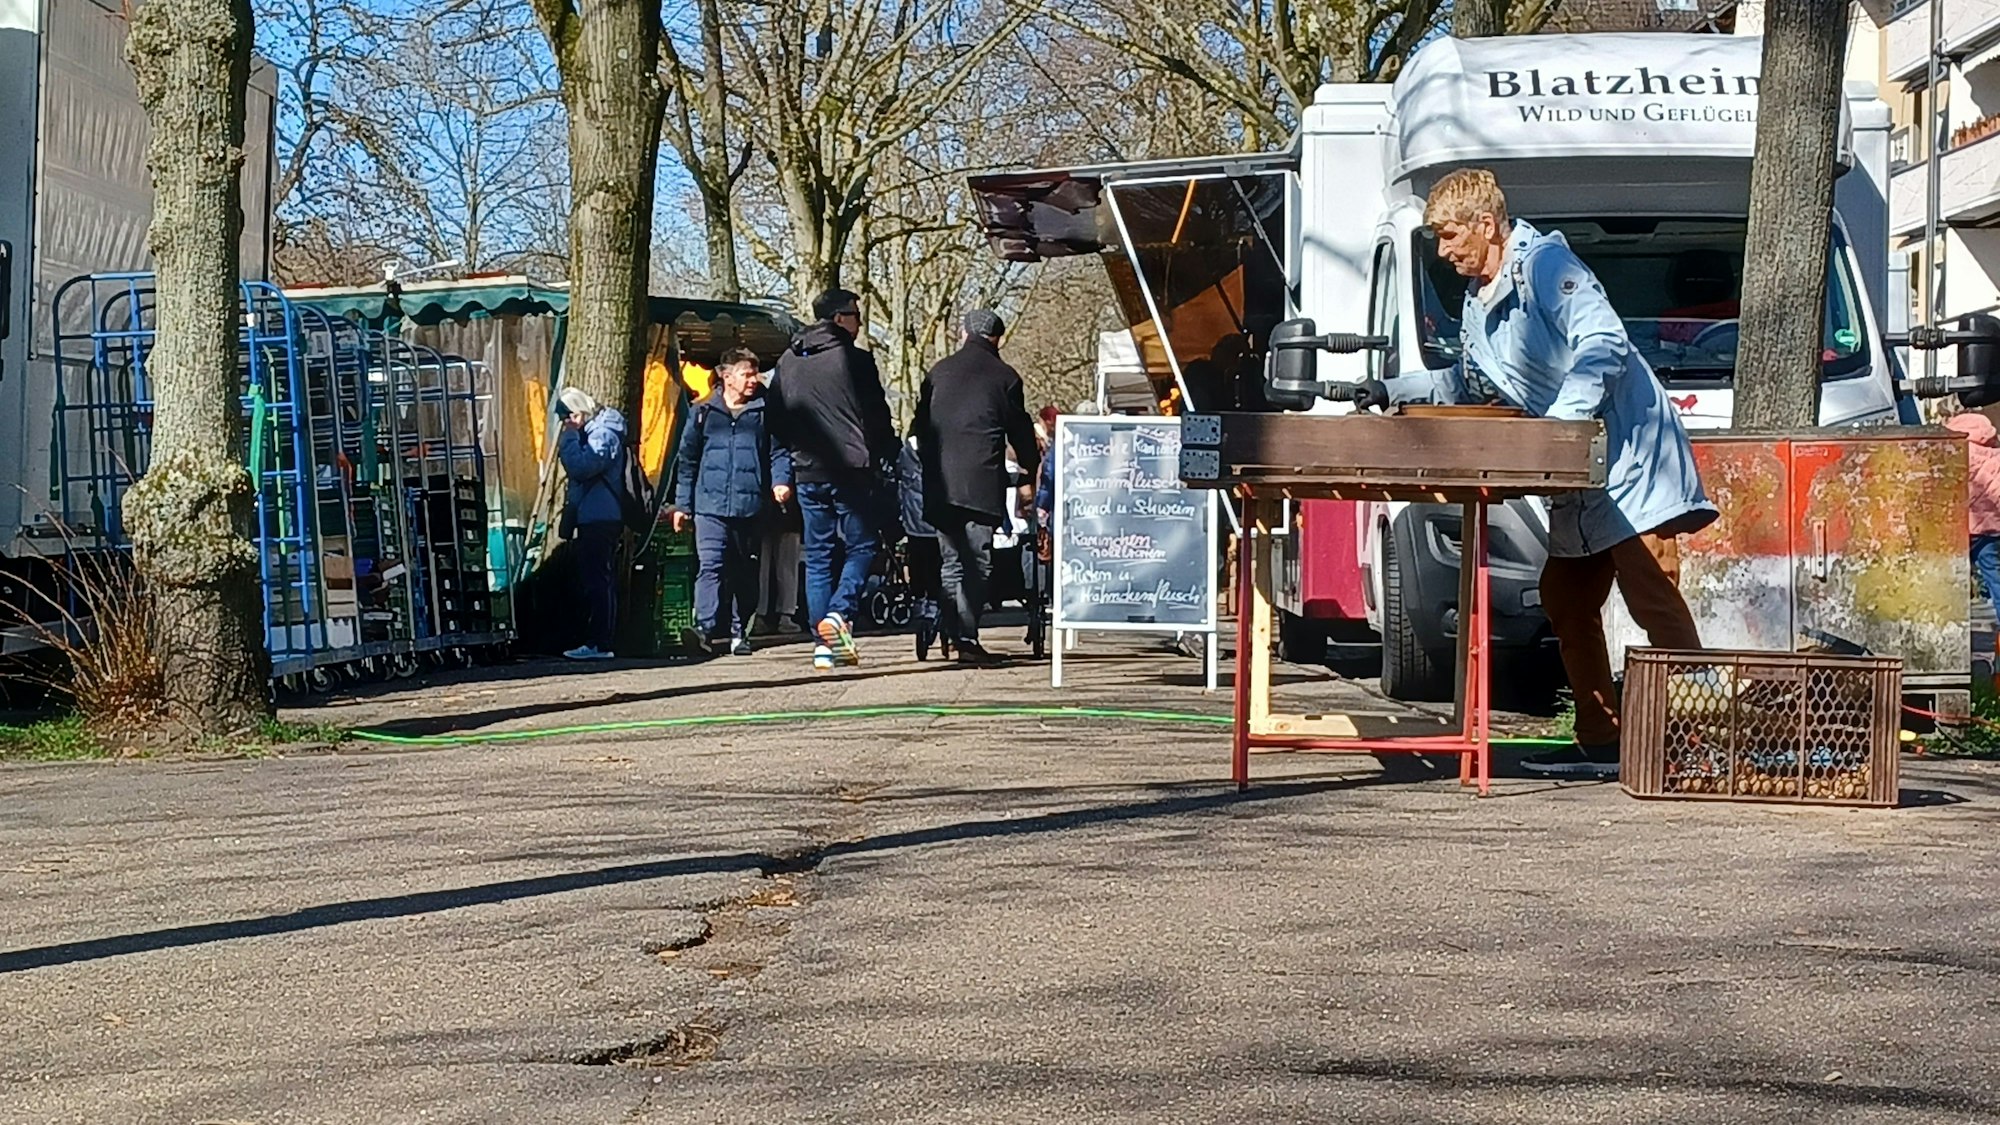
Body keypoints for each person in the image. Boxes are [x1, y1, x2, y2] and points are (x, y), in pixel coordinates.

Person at [1421, 167, 1717, 778]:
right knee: (1565, 597)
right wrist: (1389, 389)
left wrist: (1564, 421)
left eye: (1451, 236)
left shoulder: (1548, 266)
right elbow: (1468, 383)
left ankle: (1701, 742)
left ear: (1486, 225)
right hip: (1578, 474)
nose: (1444, 251)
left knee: (1652, 599)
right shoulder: (1478, 306)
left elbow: (1604, 341)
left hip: (1630, 458)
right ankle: (1601, 738)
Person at [769, 288, 900, 670]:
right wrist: (886, 455)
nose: (860, 323)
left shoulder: (787, 361)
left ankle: (822, 644)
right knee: (862, 546)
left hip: (807, 471)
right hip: (851, 469)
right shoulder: (854, 360)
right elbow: (876, 416)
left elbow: (775, 421)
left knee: (819, 554)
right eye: (857, 316)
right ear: (840, 318)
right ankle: (839, 615)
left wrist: (788, 465)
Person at [914, 309, 1040, 665]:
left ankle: (952, 632)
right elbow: (1019, 429)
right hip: (980, 481)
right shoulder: (1004, 377)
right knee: (978, 562)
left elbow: (920, 425)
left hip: (940, 481)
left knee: (952, 562)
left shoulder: (939, 372)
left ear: (963, 334)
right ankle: (965, 639)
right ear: (997, 338)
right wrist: (1030, 469)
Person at [669, 347, 792, 658]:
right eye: (747, 374)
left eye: (755, 373)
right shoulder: (703, 413)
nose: (754, 379)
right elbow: (687, 461)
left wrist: (780, 481)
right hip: (709, 505)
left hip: (750, 505)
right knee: (710, 565)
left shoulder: (766, 412)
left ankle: (740, 631)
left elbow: (779, 452)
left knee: (743, 570)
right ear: (726, 376)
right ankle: (704, 629)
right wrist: (682, 505)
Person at [556, 386, 630, 662]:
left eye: (567, 418)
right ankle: (598, 639)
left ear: (577, 413)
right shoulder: (600, 432)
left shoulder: (603, 434)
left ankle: (600, 642)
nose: (564, 424)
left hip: (601, 516)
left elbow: (581, 466)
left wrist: (571, 437)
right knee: (595, 579)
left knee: (597, 580)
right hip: (595, 514)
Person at [896, 432, 948, 661]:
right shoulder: (945, 443)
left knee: (918, 561)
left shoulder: (907, 450)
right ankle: (934, 605)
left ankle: (920, 600)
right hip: (939, 518)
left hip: (913, 520)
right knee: (939, 566)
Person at [1946, 409, 2000, 609]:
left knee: (1951, 580)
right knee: (1995, 578)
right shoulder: (1996, 457)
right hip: (1991, 531)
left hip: (1959, 532)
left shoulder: (1951, 456)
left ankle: (1951, 625)